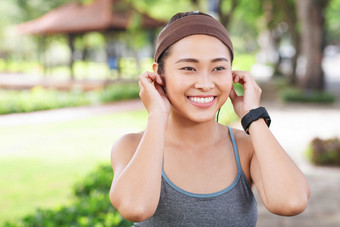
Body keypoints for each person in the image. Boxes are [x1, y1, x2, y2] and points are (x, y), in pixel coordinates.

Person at [109, 11, 310, 226]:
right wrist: (157, 115)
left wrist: (253, 115)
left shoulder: (247, 148)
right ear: (159, 75)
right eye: (188, 68)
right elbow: (135, 207)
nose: (205, 83)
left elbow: (291, 201)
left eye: (218, 68)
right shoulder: (130, 146)